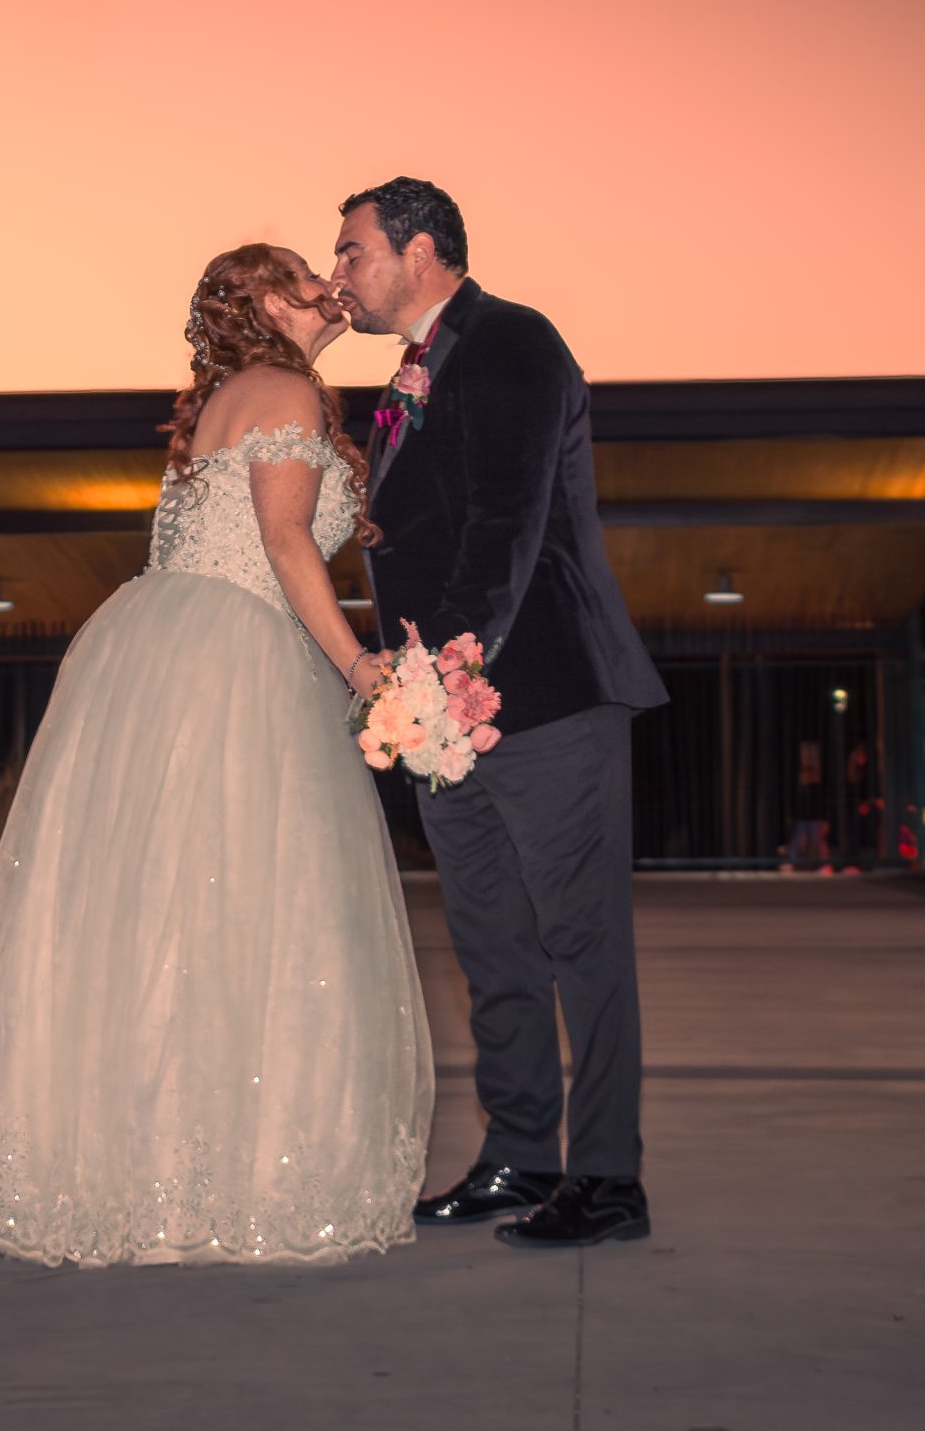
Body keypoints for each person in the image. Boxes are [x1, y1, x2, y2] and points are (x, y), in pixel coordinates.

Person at [0, 244, 434, 1267]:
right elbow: (284, 545)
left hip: (163, 648)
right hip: (235, 655)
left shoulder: (233, 394)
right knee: (255, 903)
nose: (325, 285)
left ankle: (143, 1169)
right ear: (260, 304)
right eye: (298, 274)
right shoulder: (280, 383)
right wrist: (362, 667)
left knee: (167, 909)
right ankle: (232, 1172)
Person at [331, 177, 667, 1249]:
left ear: (420, 247)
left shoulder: (513, 340)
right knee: (491, 942)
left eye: (350, 251)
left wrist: (445, 662)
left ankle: (608, 1177)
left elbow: (508, 517)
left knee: (580, 940)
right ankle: (520, 1154)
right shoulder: (409, 373)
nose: (338, 273)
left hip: (545, 694)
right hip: (439, 713)